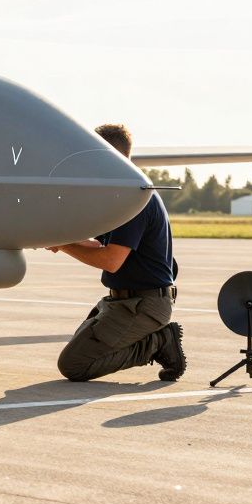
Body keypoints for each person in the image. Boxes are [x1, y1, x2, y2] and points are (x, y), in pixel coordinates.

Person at [49, 123, 186, 383]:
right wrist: (61, 238)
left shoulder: (134, 198)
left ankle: (159, 341)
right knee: (80, 349)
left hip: (143, 305)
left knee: (73, 365)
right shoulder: (121, 194)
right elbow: (99, 245)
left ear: (108, 154)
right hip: (124, 303)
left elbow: (111, 260)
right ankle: (153, 337)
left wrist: (66, 246)